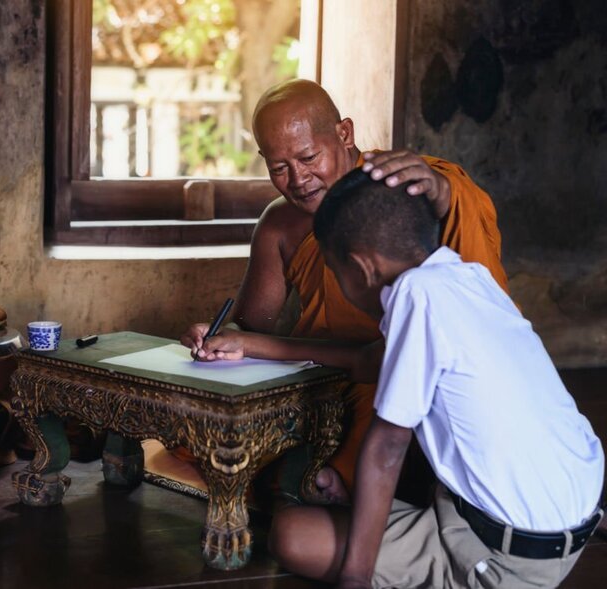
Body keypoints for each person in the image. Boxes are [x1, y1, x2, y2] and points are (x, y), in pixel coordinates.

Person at [269, 168, 604, 588]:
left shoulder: (415, 296)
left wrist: (354, 578)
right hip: (566, 525)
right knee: (366, 491)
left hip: (507, 561)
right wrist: (251, 347)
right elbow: (365, 361)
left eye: (336, 274)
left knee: (292, 534)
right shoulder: (466, 278)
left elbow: (387, 448)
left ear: (360, 268)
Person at [181, 78, 509, 504]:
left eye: (308, 157)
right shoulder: (280, 223)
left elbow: (460, 233)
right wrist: (217, 338)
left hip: (393, 367)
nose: (298, 179)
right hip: (315, 371)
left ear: (345, 133)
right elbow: (249, 326)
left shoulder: (398, 187)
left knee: (392, 402)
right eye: (278, 168)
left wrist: (442, 191)